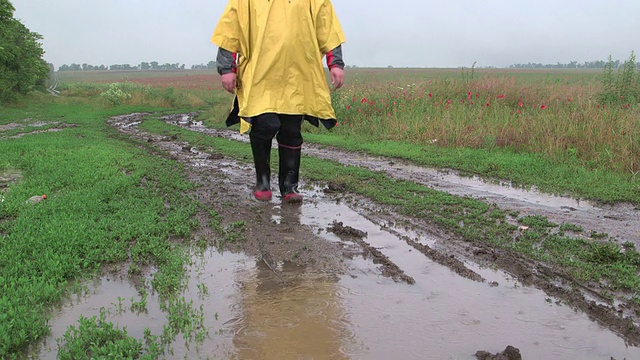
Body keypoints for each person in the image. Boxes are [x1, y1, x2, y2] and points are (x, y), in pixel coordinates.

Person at [211, 0, 346, 203]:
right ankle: (262, 181)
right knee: (265, 124)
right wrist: (227, 68)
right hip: (261, 75)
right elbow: (230, 29)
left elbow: (327, 27)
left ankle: (289, 187)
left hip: (298, 74)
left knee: (292, 131)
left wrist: (335, 63)